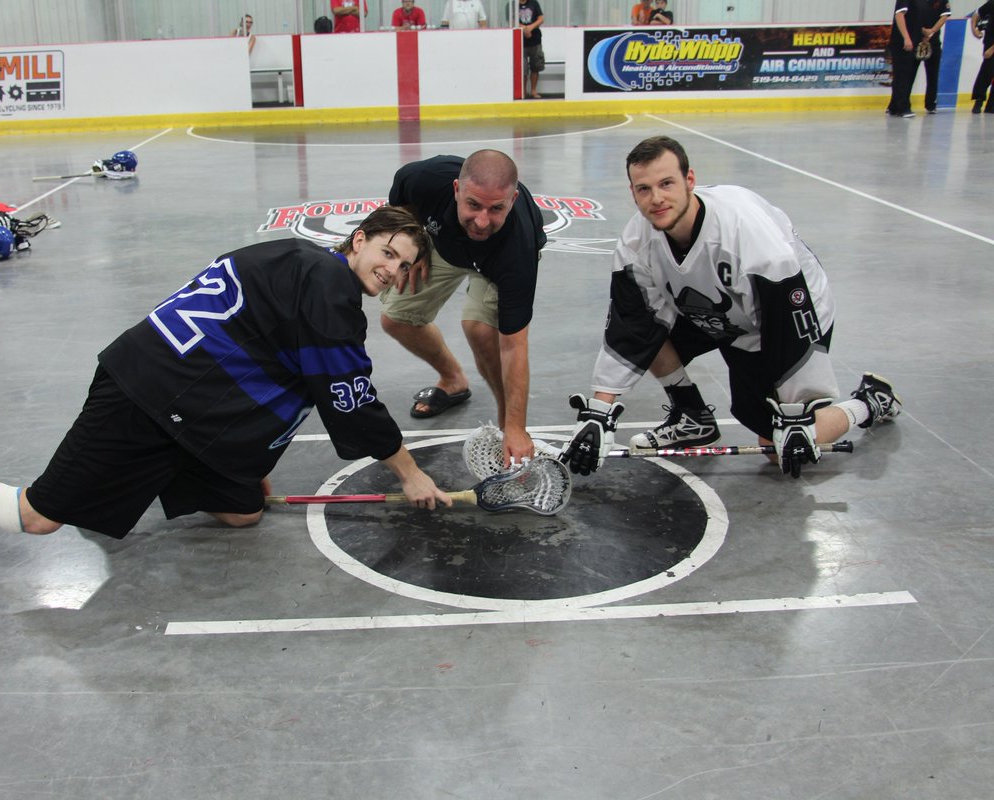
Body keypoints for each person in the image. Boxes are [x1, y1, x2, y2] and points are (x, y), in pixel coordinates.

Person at [0, 206, 454, 582]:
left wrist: (244, 451)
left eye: (403, 267)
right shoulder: (329, 291)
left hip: (187, 402)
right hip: (148, 397)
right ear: (358, 240)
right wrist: (407, 472)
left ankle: (167, 475)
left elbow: (266, 347)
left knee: (242, 511)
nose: (392, 270)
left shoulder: (297, 260)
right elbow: (346, 396)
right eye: (387, 253)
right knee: (36, 516)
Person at [562, 136, 902, 480]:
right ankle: (691, 415)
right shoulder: (636, 244)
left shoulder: (747, 235)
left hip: (786, 315)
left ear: (689, 180)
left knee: (775, 444)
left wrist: (795, 415)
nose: (657, 198)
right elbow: (633, 326)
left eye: (667, 184)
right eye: (644, 189)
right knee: (650, 328)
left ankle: (870, 401)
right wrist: (599, 413)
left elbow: (786, 325)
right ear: (633, 193)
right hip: (711, 310)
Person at [380, 150, 546, 469]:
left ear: (512, 200)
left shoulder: (518, 249)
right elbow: (399, 203)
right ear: (456, 190)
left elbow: (513, 346)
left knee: (480, 330)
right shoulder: (424, 179)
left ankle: (504, 427)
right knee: (396, 319)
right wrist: (413, 243)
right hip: (444, 242)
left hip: (496, 260)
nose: (482, 221)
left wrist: (516, 427)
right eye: (473, 204)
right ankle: (453, 379)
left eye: (496, 208)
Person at [888, 0, 926, 118]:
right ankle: (903, 107)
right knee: (902, 76)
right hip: (902, 43)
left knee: (907, 75)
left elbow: (914, 21)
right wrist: (906, 38)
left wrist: (924, 33)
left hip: (914, 42)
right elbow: (899, 15)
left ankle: (893, 106)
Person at [919, 1, 952, 113]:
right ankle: (899, 103)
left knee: (933, 75)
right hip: (915, 39)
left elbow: (944, 16)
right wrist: (922, 30)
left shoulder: (942, 1)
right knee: (908, 74)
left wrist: (932, 31)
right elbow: (910, 16)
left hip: (934, 42)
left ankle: (931, 104)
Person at [518, 0, 545, 99]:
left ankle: (533, 90)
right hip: (520, 42)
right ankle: (523, 91)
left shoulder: (534, 3)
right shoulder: (512, 5)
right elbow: (512, 21)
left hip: (535, 40)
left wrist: (530, 27)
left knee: (536, 67)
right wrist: (524, 29)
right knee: (523, 69)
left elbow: (541, 19)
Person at [971, 1, 994, 113]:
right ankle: (979, 100)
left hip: (992, 47)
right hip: (990, 41)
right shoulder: (991, 3)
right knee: (987, 71)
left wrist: (992, 49)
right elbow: (976, 14)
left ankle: (991, 105)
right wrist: (974, 29)